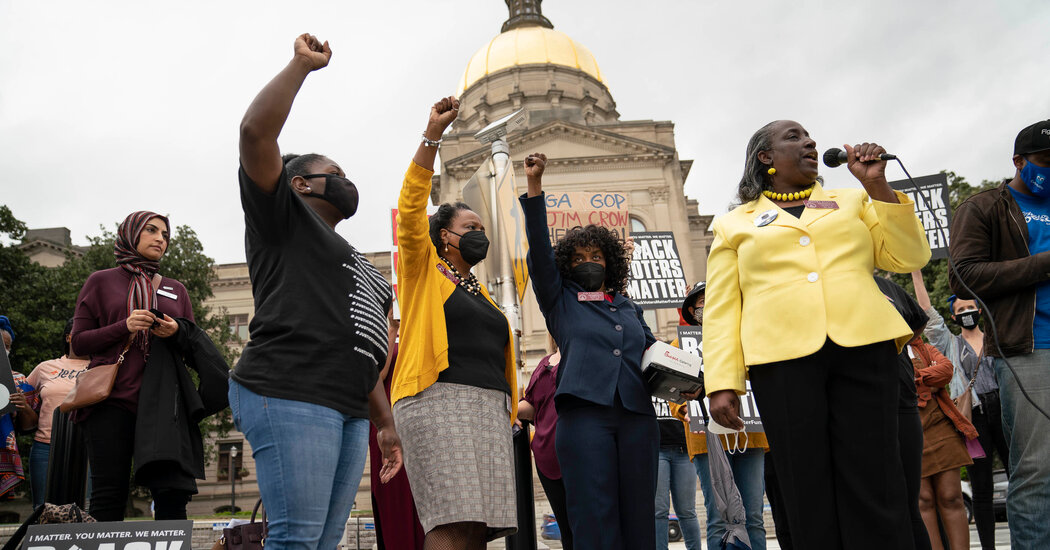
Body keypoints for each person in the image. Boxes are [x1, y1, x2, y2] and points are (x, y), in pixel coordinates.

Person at [704, 120, 931, 549]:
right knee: (805, 483)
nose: (810, 141)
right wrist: (722, 383)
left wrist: (878, 186)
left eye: (810, 136)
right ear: (764, 157)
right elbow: (720, 309)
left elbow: (907, 256)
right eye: (793, 136)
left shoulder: (852, 200)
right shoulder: (734, 224)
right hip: (783, 361)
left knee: (876, 476)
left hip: (864, 347)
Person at [232, 33, 402, 550]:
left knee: (324, 542)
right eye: (335, 173)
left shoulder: (352, 256)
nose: (346, 182)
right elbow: (254, 133)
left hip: (349, 402)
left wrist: (385, 422)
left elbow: (360, 346)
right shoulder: (282, 216)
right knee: (298, 540)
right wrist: (300, 66)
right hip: (289, 386)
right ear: (300, 183)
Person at [391, 96, 519, 548]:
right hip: (438, 401)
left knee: (479, 527)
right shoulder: (423, 270)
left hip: (489, 409)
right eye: (470, 227)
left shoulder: (482, 294)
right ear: (444, 236)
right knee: (451, 521)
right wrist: (432, 136)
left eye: (483, 227)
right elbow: (410, 210)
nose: (480, 234)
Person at [519, 152, 659, 550]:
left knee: (638, 522)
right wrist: (535, 186)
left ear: (610, 264)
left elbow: (651, 353)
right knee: (594, 521)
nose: (588, 263)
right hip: (583, 420)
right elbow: (541, 251)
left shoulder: (628, 307)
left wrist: (686, 379)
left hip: (637, 419)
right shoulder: (560, 300)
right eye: (579, 259)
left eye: (596, 257)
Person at [948, 119, 1050, 550]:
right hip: (1031, 351)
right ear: (1019, 161)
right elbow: (962, 275)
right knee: (1038, 471)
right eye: (1047, 162)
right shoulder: (988, 206)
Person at [70, 211, 195, 520]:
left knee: (171, 495)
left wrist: (177, 331)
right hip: (111, 399)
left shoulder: (176, 289)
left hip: (164, 404)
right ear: (131, 233)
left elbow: (193, 345)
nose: (160, 239)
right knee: (108, 494)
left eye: (165, 235)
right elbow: (79, 343)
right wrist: (124, 326)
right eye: (151, 230)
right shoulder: (100, 281)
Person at [911, 271, 1008, 550]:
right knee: (980, 487)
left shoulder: (995, 337)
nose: (967, 312)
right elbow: (928, 313)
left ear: (980, 310)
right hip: (972, 414)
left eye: (971, 308)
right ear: (953, 317)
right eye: (961, 310)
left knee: (1018, 474)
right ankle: (988, 546)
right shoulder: (950, 344)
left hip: (1002, 410)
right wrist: (916, 272)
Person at [671, 282, 769, 550]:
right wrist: (684, 411)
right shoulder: (681, 345)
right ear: (691, 310)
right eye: (702, 302)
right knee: (717, 518)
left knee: (753, 516)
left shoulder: (746, 337)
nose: (708, 306)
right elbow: (672, 392)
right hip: (708, 440)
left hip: (750, 435)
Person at [873, 276, 932, 550]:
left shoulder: (887, 287)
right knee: (876, 505)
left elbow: (917, 323)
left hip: (902, 404)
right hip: (860, 411)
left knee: (909, 506)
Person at [908, 335, 976, 550]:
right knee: (923, 500)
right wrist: (928, 381)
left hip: (940, 428)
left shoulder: (924, 348)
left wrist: (915, 379)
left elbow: (946, 371)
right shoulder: (882, 354)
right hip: (909, 432)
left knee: (952, 497)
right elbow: (893, 384)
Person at [369, 310, 425, 550]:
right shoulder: (383, 339)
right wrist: (392, 329)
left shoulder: (423, 336)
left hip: (420, 432)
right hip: (388, 431)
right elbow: (376, 377)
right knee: (396, 504)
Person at [25, 318, 89, 508]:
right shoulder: (44, 368)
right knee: (43, 510)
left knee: (85, 509)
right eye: (82, 333)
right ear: (69, 337)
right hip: (46, 449)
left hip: (86, 449)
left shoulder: (102, 368)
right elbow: (22, 404)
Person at [517, 336, 573, 550]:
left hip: (579, 456)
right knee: (568, 531)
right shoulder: (544, 363)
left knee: (586, 527)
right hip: (547, 459)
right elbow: (532, 405)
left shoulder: (581, 354)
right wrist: (510, 409)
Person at [0, 316, 38, 499]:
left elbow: (29, 426)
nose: (5, 351)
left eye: (8, 347)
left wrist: (24, 407)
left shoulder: (18, 380)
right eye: (2, 346)